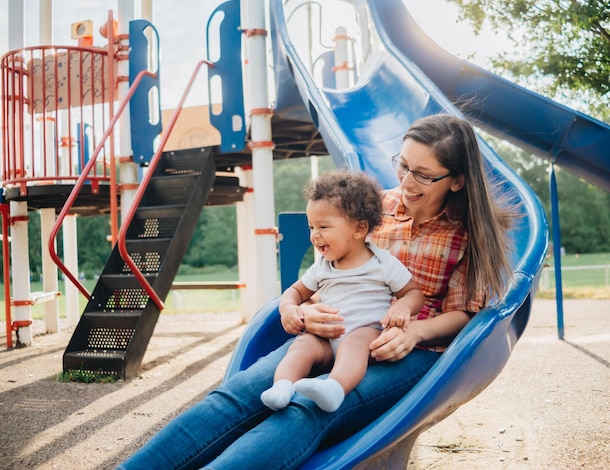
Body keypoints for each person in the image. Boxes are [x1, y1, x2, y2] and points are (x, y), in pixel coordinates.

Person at [117, 114, 515, 469]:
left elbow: (465, 314)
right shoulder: (371, 209)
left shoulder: (470, 233)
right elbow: (326, 268)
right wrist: (304, 312)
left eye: (423, 175)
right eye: (403, 165)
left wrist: (413, 331)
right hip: (328, 331)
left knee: (308, 409)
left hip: (404, 353)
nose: (406, 182)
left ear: (458, 180)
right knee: (237, 396)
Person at [260, 170, 424, 413]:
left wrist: (403, 306)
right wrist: (288, 308)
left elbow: (414, 293)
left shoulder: (382, 264)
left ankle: (335, 389)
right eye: (311, 227)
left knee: (355, 343)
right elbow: (294, 291)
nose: (315, 235)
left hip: (366, 333)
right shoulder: (322, 267)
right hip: (326, 339)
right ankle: (282, 387)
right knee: (302, 345)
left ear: (359, 230)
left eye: (323, 226)